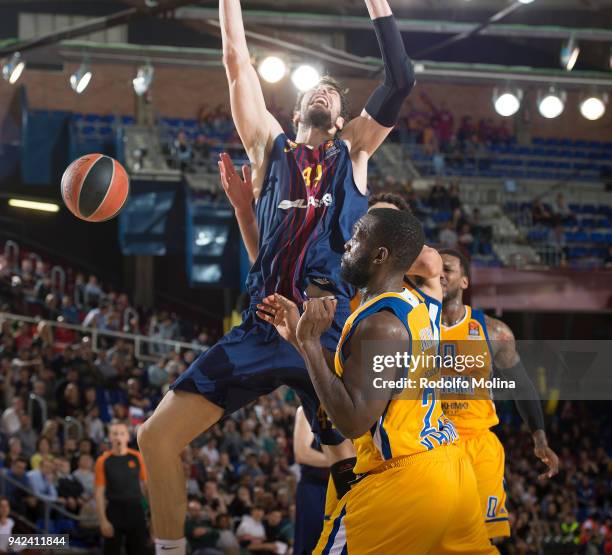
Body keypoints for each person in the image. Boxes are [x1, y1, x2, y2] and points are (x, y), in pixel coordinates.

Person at [137, 0, 418, 553]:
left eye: (334, 95)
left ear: (343, 119)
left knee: (359, 463)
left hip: (327, 330)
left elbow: (401, 78)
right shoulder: (269, 149)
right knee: (155, 438)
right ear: (293, 113)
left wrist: (376, 4)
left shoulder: (354, 154)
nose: (322, 93)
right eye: (314, 90)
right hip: (264, 327)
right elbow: (237, 59)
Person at [258, 209, 494, 553]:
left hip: (404, 478)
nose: (348, 244)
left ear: (380, 255)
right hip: (452, 472)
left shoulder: (380, 325)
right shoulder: (419, 303)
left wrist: (310, 344)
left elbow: (353, 420)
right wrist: (297, 337)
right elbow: (357, 381)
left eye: (357, 237)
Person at [438, 247, 560, 541]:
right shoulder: (409, 326)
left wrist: (539, 438)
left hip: (477, 443)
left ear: (464, 282)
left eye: (448, 269)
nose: (440, 274)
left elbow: (522, 384)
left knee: (482, 536)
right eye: (435, 269)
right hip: (431, 442)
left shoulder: (493, 332)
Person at [94, 420, 149, 555]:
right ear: (110, 437)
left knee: (139, 550)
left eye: (122, 433)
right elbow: (99, 493)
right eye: (115, 434)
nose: (118, 437)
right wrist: (103, 521)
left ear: (127, 437)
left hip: (136, 510)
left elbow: (146, 486)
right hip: (114, 511)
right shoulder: (103, 461)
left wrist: (152, 514)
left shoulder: (137, 457)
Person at [292, 406, 328, 555]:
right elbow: (302, 453)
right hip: (314, 489)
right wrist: (342, 460)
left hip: (341, 488)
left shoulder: (349, 406)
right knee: (312, 544)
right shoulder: (308, 408)